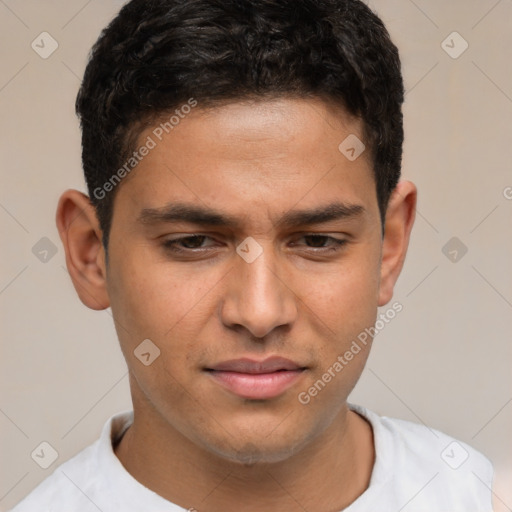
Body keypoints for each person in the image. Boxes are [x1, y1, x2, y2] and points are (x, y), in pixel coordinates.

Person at [10, 0, 494, 510]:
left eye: (317, 241)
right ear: (91, 254)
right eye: (193, 242)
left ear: (390, 248)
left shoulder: (476, 495)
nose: (261, 313)